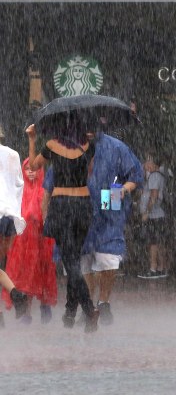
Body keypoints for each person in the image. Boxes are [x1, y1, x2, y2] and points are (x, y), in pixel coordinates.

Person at [26, 120, 99, 332]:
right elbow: (89, 171)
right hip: (83, 206)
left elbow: (33, 165)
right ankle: (69, 311)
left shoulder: (51, 145)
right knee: (73, 259)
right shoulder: (88, 145)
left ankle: (89, 310)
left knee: (70, 262)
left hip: (62, 206)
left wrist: (32, 139)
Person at [77, 125, 142, 325]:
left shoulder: (116, 147)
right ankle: (89, 307)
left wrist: (123, 189)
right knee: (84, 259)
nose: (88, 129)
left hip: (109, 202)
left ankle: (104, 301)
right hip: (80, 206)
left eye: (91, 124)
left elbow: (135, 176)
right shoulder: (70, 147)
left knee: (109, 257)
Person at [2, 159, 57, 324]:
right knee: (25, 276)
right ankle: (26, 311)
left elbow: (46, 214)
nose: (30, 172)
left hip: (42, 242)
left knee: (42, 272)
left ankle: (44, 303)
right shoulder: (20, 191)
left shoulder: (44, 190)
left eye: (34, 169)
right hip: (23, 244)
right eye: (27, 169)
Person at [0, 139, 30, 326]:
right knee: (1, 265)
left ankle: (16, 294)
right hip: (8, 215)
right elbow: (19, 184)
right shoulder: (13, 154)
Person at [138, 153, 169, 279]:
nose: (145, 164)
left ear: (153, 163)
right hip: (157, 214)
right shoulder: (157, 175)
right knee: (158, 241)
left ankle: (153, 268)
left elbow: (154, 196)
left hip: (154, 215)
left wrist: (146, 212)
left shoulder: (155, 176)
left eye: (147, 161)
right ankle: (161, 267)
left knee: (153, 242)